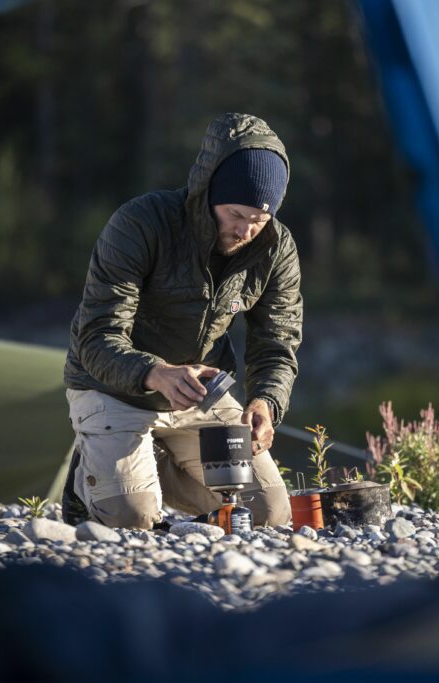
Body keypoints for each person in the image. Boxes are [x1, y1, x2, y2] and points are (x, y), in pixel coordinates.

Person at [62, 112, 302, 529]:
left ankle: (149, 467)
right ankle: (91, 481)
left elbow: (277, 342)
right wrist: (156, 373)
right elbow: (96, 338)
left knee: (266, 515)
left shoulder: (276, 248)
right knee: (131, 519)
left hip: (201, 397)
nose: (245, 230)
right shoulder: (142, 223)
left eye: (259, 219)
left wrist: (266, 401)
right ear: (209, 191)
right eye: (235, 214)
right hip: (113, 389)